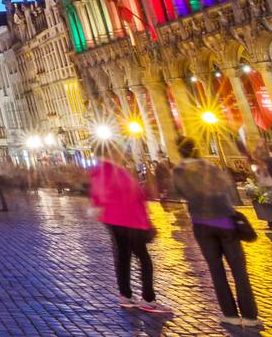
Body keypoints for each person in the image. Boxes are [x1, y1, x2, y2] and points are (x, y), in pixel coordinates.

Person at [174, 137, 259, 327]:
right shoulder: (210, 168)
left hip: (202, 224)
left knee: (216, 270)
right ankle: (250, 315)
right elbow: (227, 189)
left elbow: (180, 192)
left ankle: (229, 314)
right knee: (239, 271)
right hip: (225, 222)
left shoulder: (179, 172)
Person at [89, 153, 164, 313]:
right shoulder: (117, 171)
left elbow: (98, 196)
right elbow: (134, 194)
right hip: (129, 219)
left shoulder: (99, 171)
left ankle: (125, 294)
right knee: (144, 259)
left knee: (123, 256)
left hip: (112, 219)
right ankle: (148, 299)